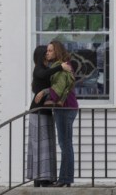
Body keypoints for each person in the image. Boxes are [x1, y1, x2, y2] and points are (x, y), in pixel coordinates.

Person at [35, 41, 78, 187]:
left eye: (50, 50)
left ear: (57, 52)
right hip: (66, 109)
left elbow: (58, 89)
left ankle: (65, 179)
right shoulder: (61, 65)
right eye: (47, 51)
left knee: (65, 144)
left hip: (66, 109)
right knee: (66, 143)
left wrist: (46, 94)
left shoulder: (61, 66)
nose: (47, 53)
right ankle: (65, 179)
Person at [26, 45, 70, 187]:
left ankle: (43, 178)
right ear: (42, 56)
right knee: (41, 145)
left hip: (45, 111)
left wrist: (45, 91)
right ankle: (41, 179)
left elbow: (54, 85)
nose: (48, 54)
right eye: (47, 52)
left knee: (46, 145)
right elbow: (44, 75)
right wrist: (60, 67)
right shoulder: (39, 69)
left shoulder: (46, 69)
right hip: (37, 112)